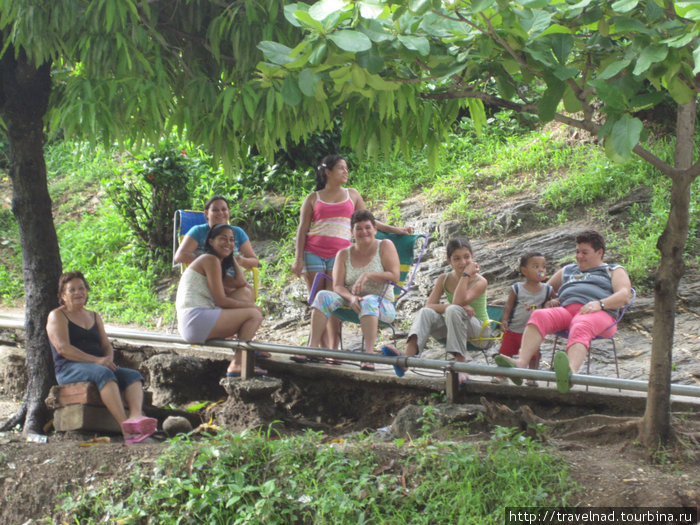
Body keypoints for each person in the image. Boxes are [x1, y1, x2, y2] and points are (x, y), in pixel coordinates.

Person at [290, 154, 412, 349]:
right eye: (341, 168)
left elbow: (369, 221)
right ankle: (317, 350)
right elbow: (302, 228)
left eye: (346, 168)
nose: (346, 171)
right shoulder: (313, 197)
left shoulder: (352, 194)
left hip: (339, 253)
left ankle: (333, 349)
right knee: (318, 299)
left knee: (334, 302)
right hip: (313, 251)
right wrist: (298, 259)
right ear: (327, 172)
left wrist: (396, 230)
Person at [495, 230, 632, 393]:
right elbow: (544, 290)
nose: (579, 256)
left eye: (585, 252)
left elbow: (624, 295)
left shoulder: (612, 270)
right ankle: (521, 364)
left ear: (599, 252)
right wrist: (550, 301)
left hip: (599, 315)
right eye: (577, 251)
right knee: (538, 315)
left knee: (581, 324)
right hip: (566, 311)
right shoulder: (568, 270)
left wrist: (600, 304)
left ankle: (570, 373)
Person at [46, 271, 157, 443]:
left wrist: (108, 359)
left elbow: (106, 345)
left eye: (81, 288)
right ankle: (125, 427)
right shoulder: (57, 316)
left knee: (133, 375)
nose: (78, 293)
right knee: (103, 374)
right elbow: (63, 348)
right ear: (62, 295)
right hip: (69, 369)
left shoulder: (94, 316)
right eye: (72, 290)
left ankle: (135, 417)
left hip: (97, 365)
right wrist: (98, 361)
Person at [296, 209, 399, 370]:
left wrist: (368, 275)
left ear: (375, 229)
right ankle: (311, 348)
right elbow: (337, 285)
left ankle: (368, 355)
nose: (363, 232)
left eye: (367, 227)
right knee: (323, 295)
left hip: (382, 305)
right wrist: (351, 298)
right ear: (351, 232)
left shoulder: (385, 246)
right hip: (350, 301)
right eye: (358, 228)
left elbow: (394, 276)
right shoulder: (344, 254)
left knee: (369, 300)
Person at [381, 238, 490, 383]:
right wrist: (450, 307)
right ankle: (406, 357)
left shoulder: (480, 281)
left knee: (453, 309)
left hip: (479, 333)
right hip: (455, 326)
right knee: (426, 312)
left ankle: (460, 364)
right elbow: (429, 306)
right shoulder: (444, 279)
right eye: (456, 258)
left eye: (466, 257)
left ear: (472, 257)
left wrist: (465, 276)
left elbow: (457, 302)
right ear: (448, 260)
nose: (463, 262)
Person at [175, 223, 265, 376]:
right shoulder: (209, 259)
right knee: (254, 314)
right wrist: (251, 307)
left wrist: (234, 260)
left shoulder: (214, 262)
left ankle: (243, 343)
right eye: (223, 239)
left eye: (231, 240)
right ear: (211, 241)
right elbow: (221, 301)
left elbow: (241, 283)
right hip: (195, 320)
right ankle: (238, 363)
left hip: (195, 322)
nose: (228, 243)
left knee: (245, 291)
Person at [173, 195, 258, 302]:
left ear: (228, 212)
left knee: (246, 291)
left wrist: (239, 260)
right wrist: (210, 263)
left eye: (224, 209)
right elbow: (180, 256)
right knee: (245, 297)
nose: (220, 213)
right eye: (215, 210)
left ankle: (229, 313)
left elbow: (254, 261)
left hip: (232, 281)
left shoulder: (237, 232)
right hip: (207, 279)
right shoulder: (198, 231)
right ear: (206, 214)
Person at [492, 251, 552, 386]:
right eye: (536, 267)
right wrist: (505, 320)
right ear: (524, 270)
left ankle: (532, 377)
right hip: (514, 329)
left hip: (533, 332)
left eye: (543, 266)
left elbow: (555, 299)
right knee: (505, 352)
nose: (541, 270)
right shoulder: (517, 288)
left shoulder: (547, 289)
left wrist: (554, 301)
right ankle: (501, 375)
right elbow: (508, 306)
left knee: (534, 355)